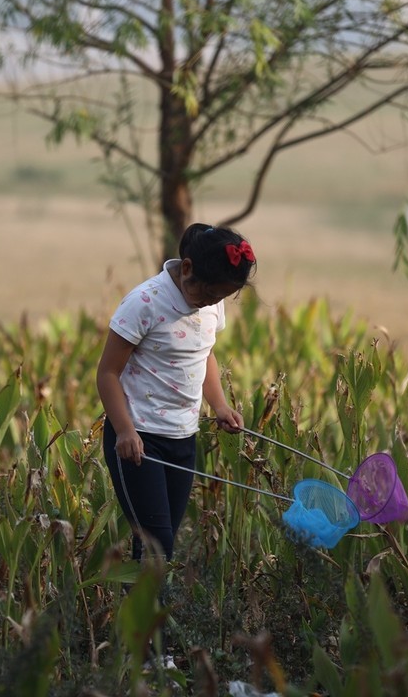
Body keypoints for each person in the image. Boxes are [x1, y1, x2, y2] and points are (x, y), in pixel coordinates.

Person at [96, 223, 255, 667]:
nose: (214, 304)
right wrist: (125, 430)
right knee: (156, 544)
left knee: (156, 545)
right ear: (187, 269)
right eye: (211, 294)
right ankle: (147, 652)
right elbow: (107, 374)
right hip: (139, 441)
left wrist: (219, 405)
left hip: (184, 440)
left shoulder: (211, 305)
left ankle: (138, 645)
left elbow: (204, 354)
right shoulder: (144, 303)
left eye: (223, 297)